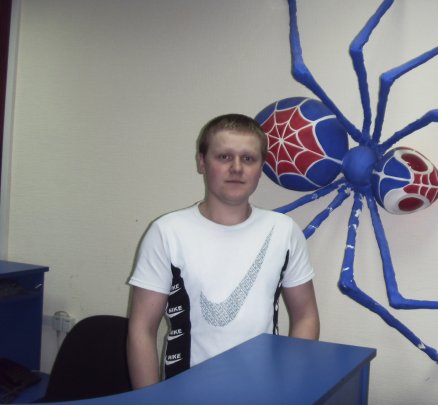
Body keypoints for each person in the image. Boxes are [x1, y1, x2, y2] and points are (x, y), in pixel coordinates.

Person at [127, 114, 320, 389]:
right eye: (224, 157)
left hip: (263, 391)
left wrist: (290, 384)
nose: (237, 168)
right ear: (202, 162)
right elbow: (142, 330)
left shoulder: (283, 231)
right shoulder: (167, 232)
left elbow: (305, 315)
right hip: (184, 392)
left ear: (261, 168)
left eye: (248, 158)